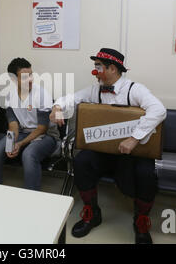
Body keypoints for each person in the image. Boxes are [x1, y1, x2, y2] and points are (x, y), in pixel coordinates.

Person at [50, 48, 166, 244]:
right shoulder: (95, 89)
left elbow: (159, 110)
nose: (95, 71)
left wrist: (134, 138)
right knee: (82, 161)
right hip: (104, 151)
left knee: (146, 174)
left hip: (133, 152)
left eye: (98, 67)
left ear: (112, 68)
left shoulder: (134, 89)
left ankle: (141, 221)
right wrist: (57, 108)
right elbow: (71, 98)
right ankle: (92, 213)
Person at [0, 58, 59, 191]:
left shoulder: (42, 94)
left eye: (31, 75)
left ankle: (32, 196)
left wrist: (19, 144)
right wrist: (11, 144)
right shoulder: (9, 96)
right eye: (25, 77)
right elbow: (13, 126)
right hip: (22, 132)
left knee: (29, 154)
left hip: (46, 135)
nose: (30, 79)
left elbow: (42, 128)